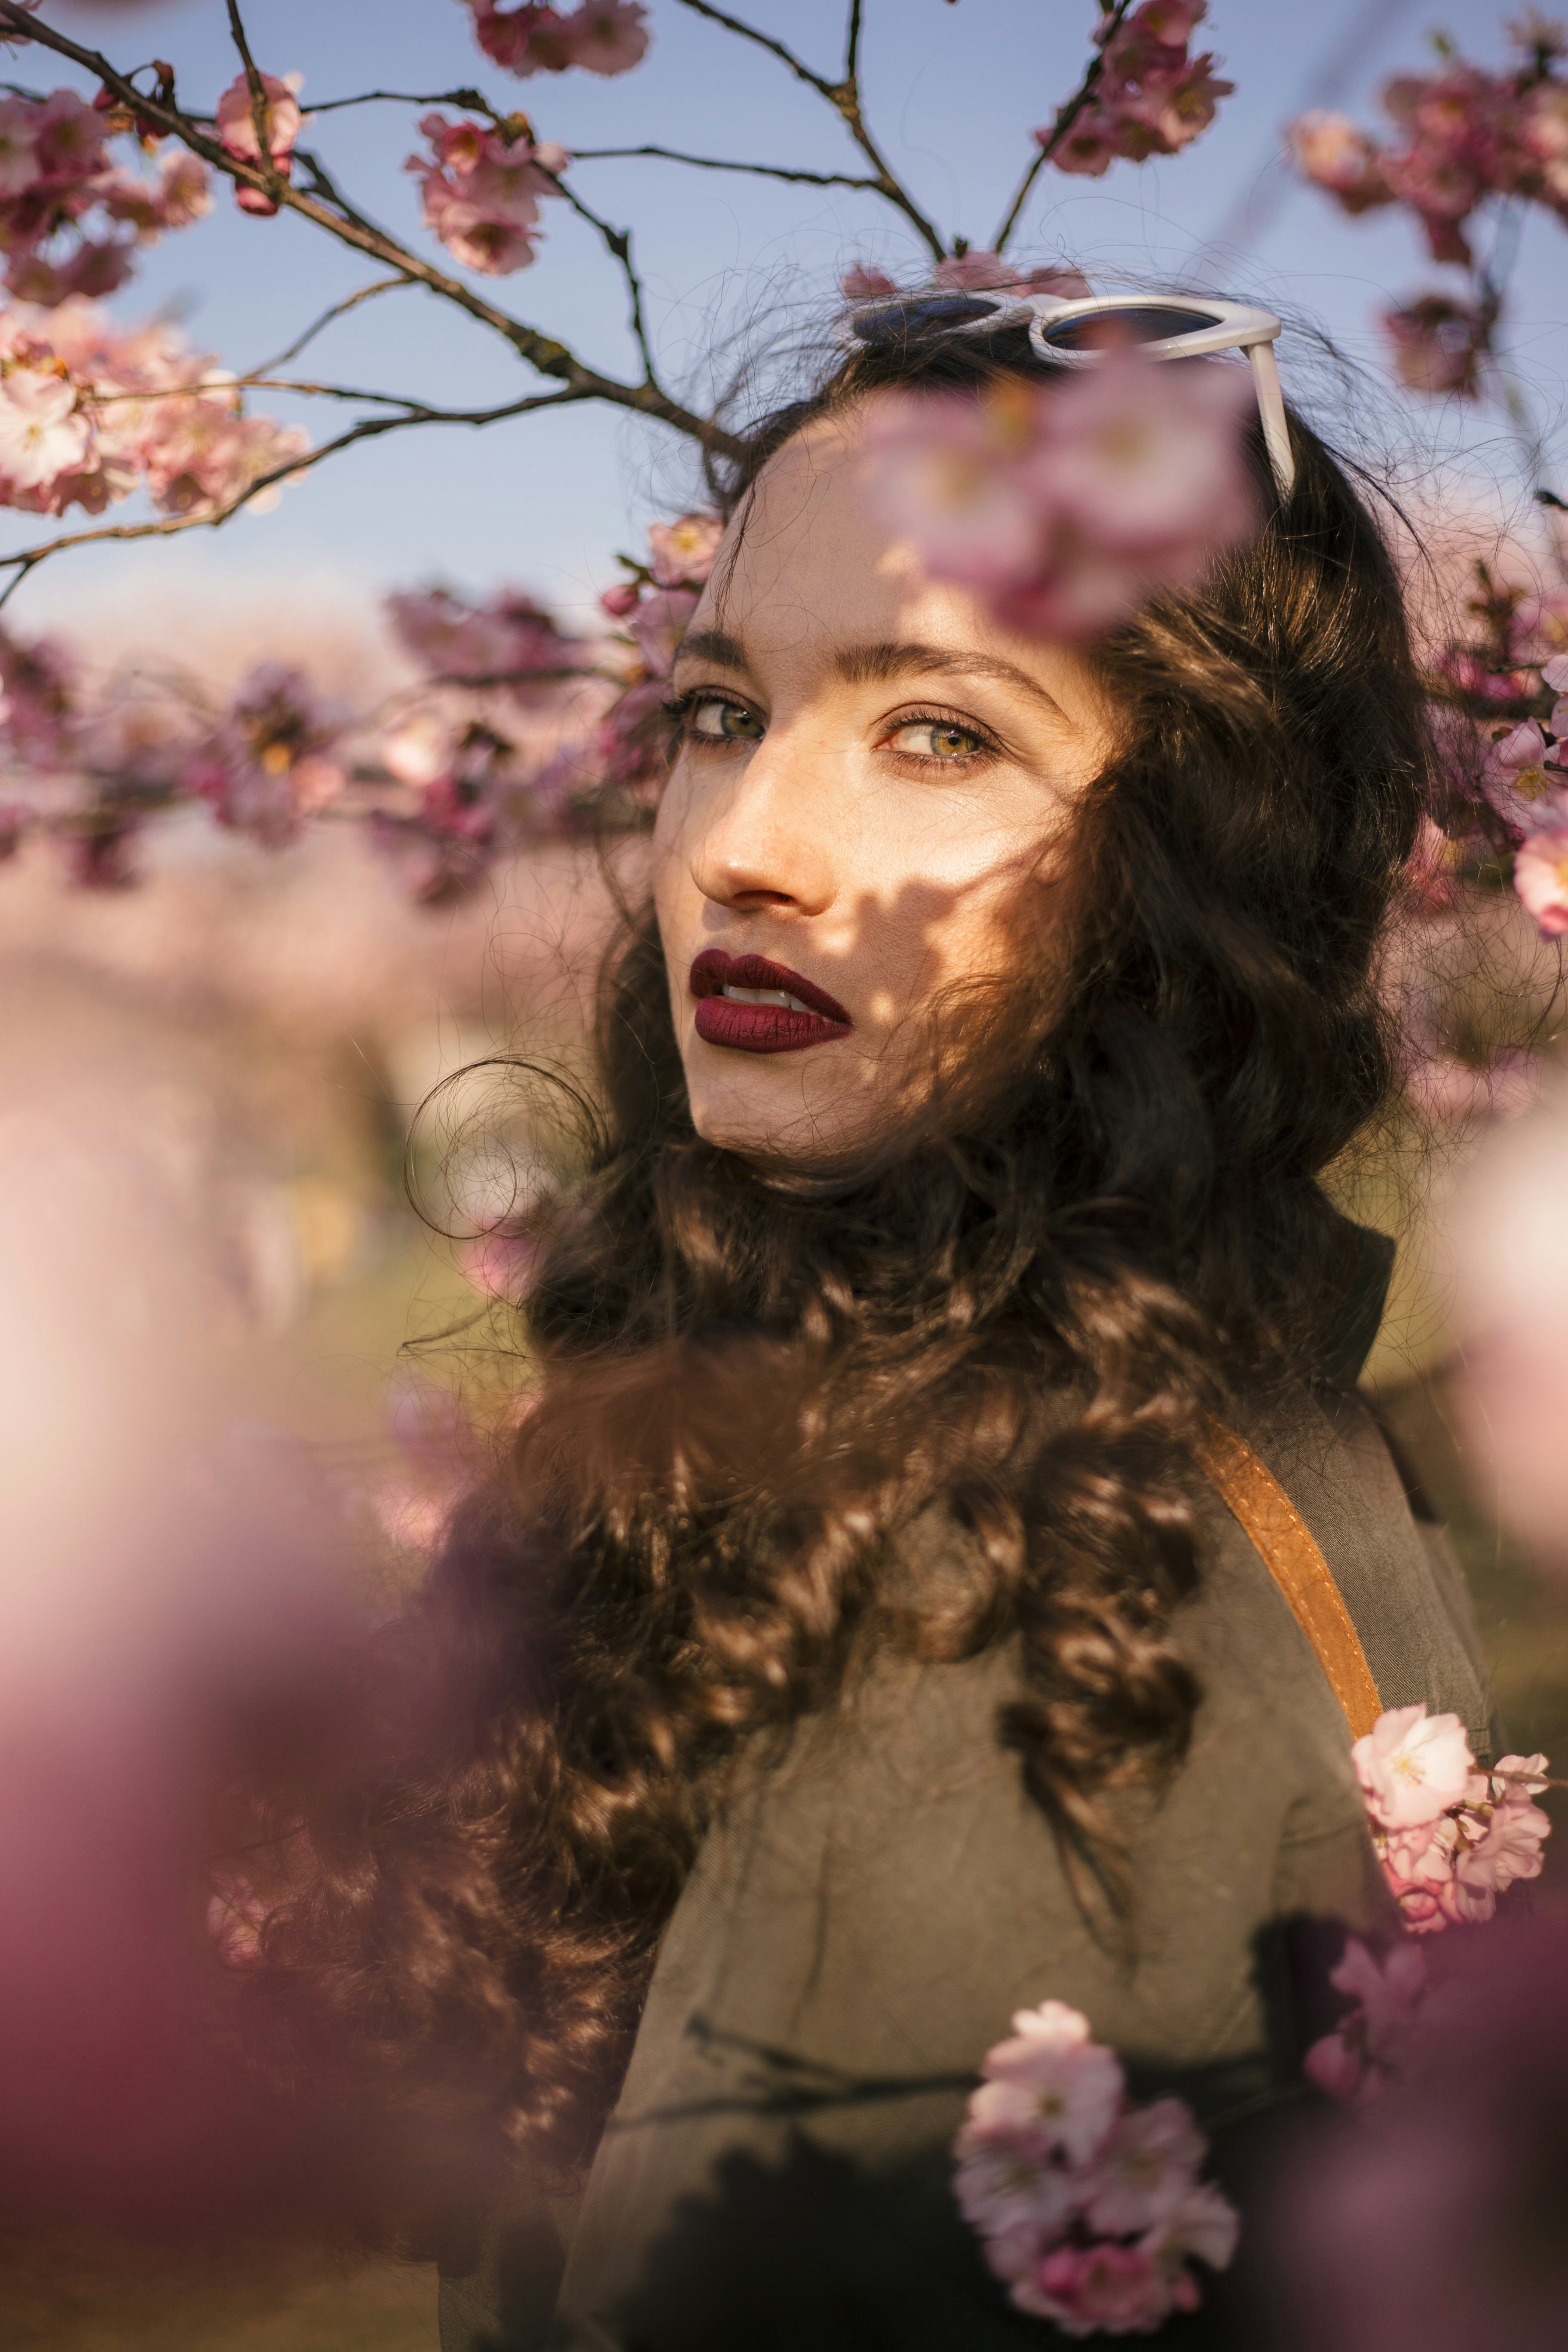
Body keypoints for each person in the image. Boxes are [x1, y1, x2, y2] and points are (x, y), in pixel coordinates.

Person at [265, 297, 1494, 2348]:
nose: (743, 850)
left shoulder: (1004, 1623)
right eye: (723, 713)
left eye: (943, 732)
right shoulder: (1200, 1404)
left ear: (1199, 857)